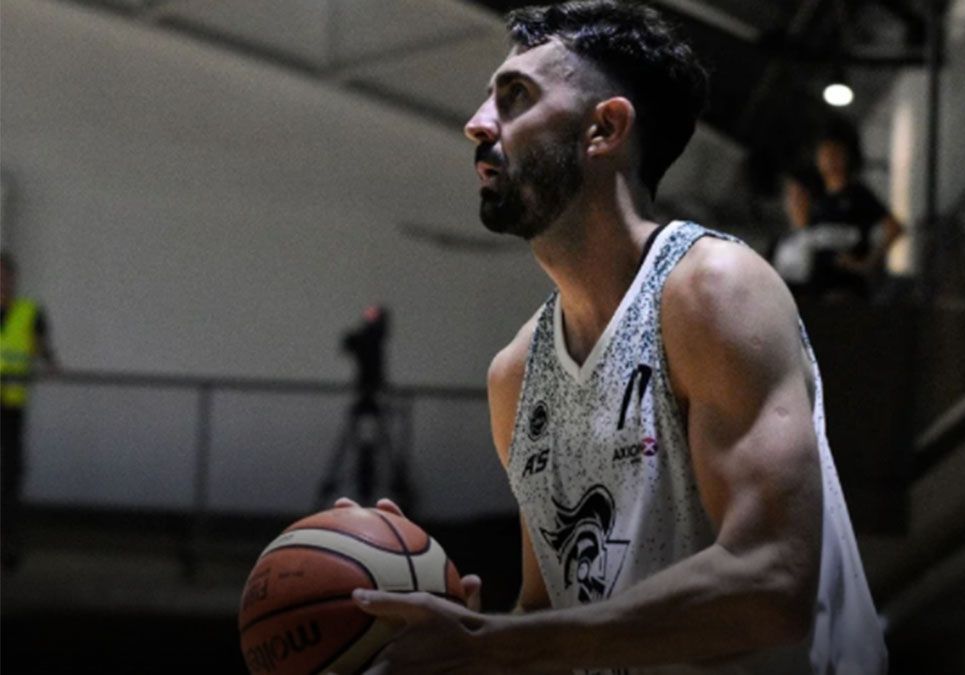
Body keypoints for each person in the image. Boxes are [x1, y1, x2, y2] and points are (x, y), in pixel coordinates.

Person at [339, 2, 887, 673]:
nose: (477, 123)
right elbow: (550, 620)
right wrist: (452, 630)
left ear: (604, 128)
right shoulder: (517, 374)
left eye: (515, 97)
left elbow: (771, 581)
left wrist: (495, 642)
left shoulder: (712, 289)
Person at [776, 135, 903, 301]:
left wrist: (869, 262)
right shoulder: (819, 200)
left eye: (835, 154)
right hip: (816, 286)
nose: (829, 160)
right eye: (825, 155)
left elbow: (893, 227)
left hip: (846, 286)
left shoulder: (857, 194)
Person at [0, 252, 58, 570]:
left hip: (11, 405)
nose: (2, 283)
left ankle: (9, 542)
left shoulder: (29, 312)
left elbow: (41, 345)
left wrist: (49, 361)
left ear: (13, 279)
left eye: (5, 276)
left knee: (10, 474)